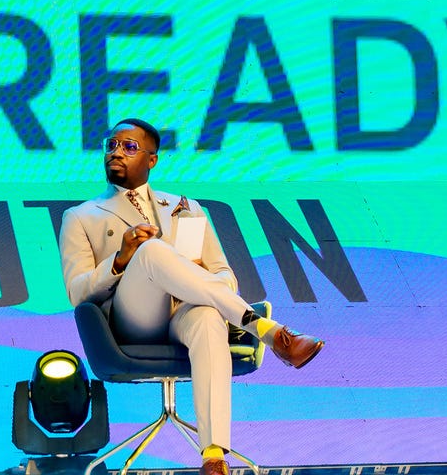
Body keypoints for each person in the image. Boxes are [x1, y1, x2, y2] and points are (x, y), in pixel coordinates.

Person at [58, 118, 325, 475]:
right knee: (151, 252)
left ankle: (213, 457)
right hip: (131, 322)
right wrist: (121, 258)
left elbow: (224, 275)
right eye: (111, 145)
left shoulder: (186, 207)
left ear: (152, 159)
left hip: (185, 312)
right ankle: (268, 331)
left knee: (208, 318)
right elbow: (78, 294)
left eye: (129, 147)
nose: (116, 153)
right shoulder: (80, 216)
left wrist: (196, 277)